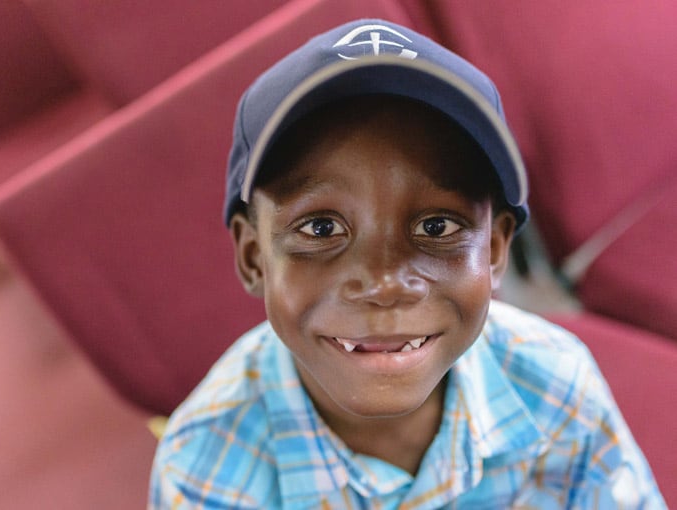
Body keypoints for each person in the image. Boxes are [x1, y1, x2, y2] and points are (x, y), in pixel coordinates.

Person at [149, 19, 665, 509]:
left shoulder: (556, 388)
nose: (383, 282)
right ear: (253, 255)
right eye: (322, 229)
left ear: (494, 250)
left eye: (437, 227)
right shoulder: (206, 472)